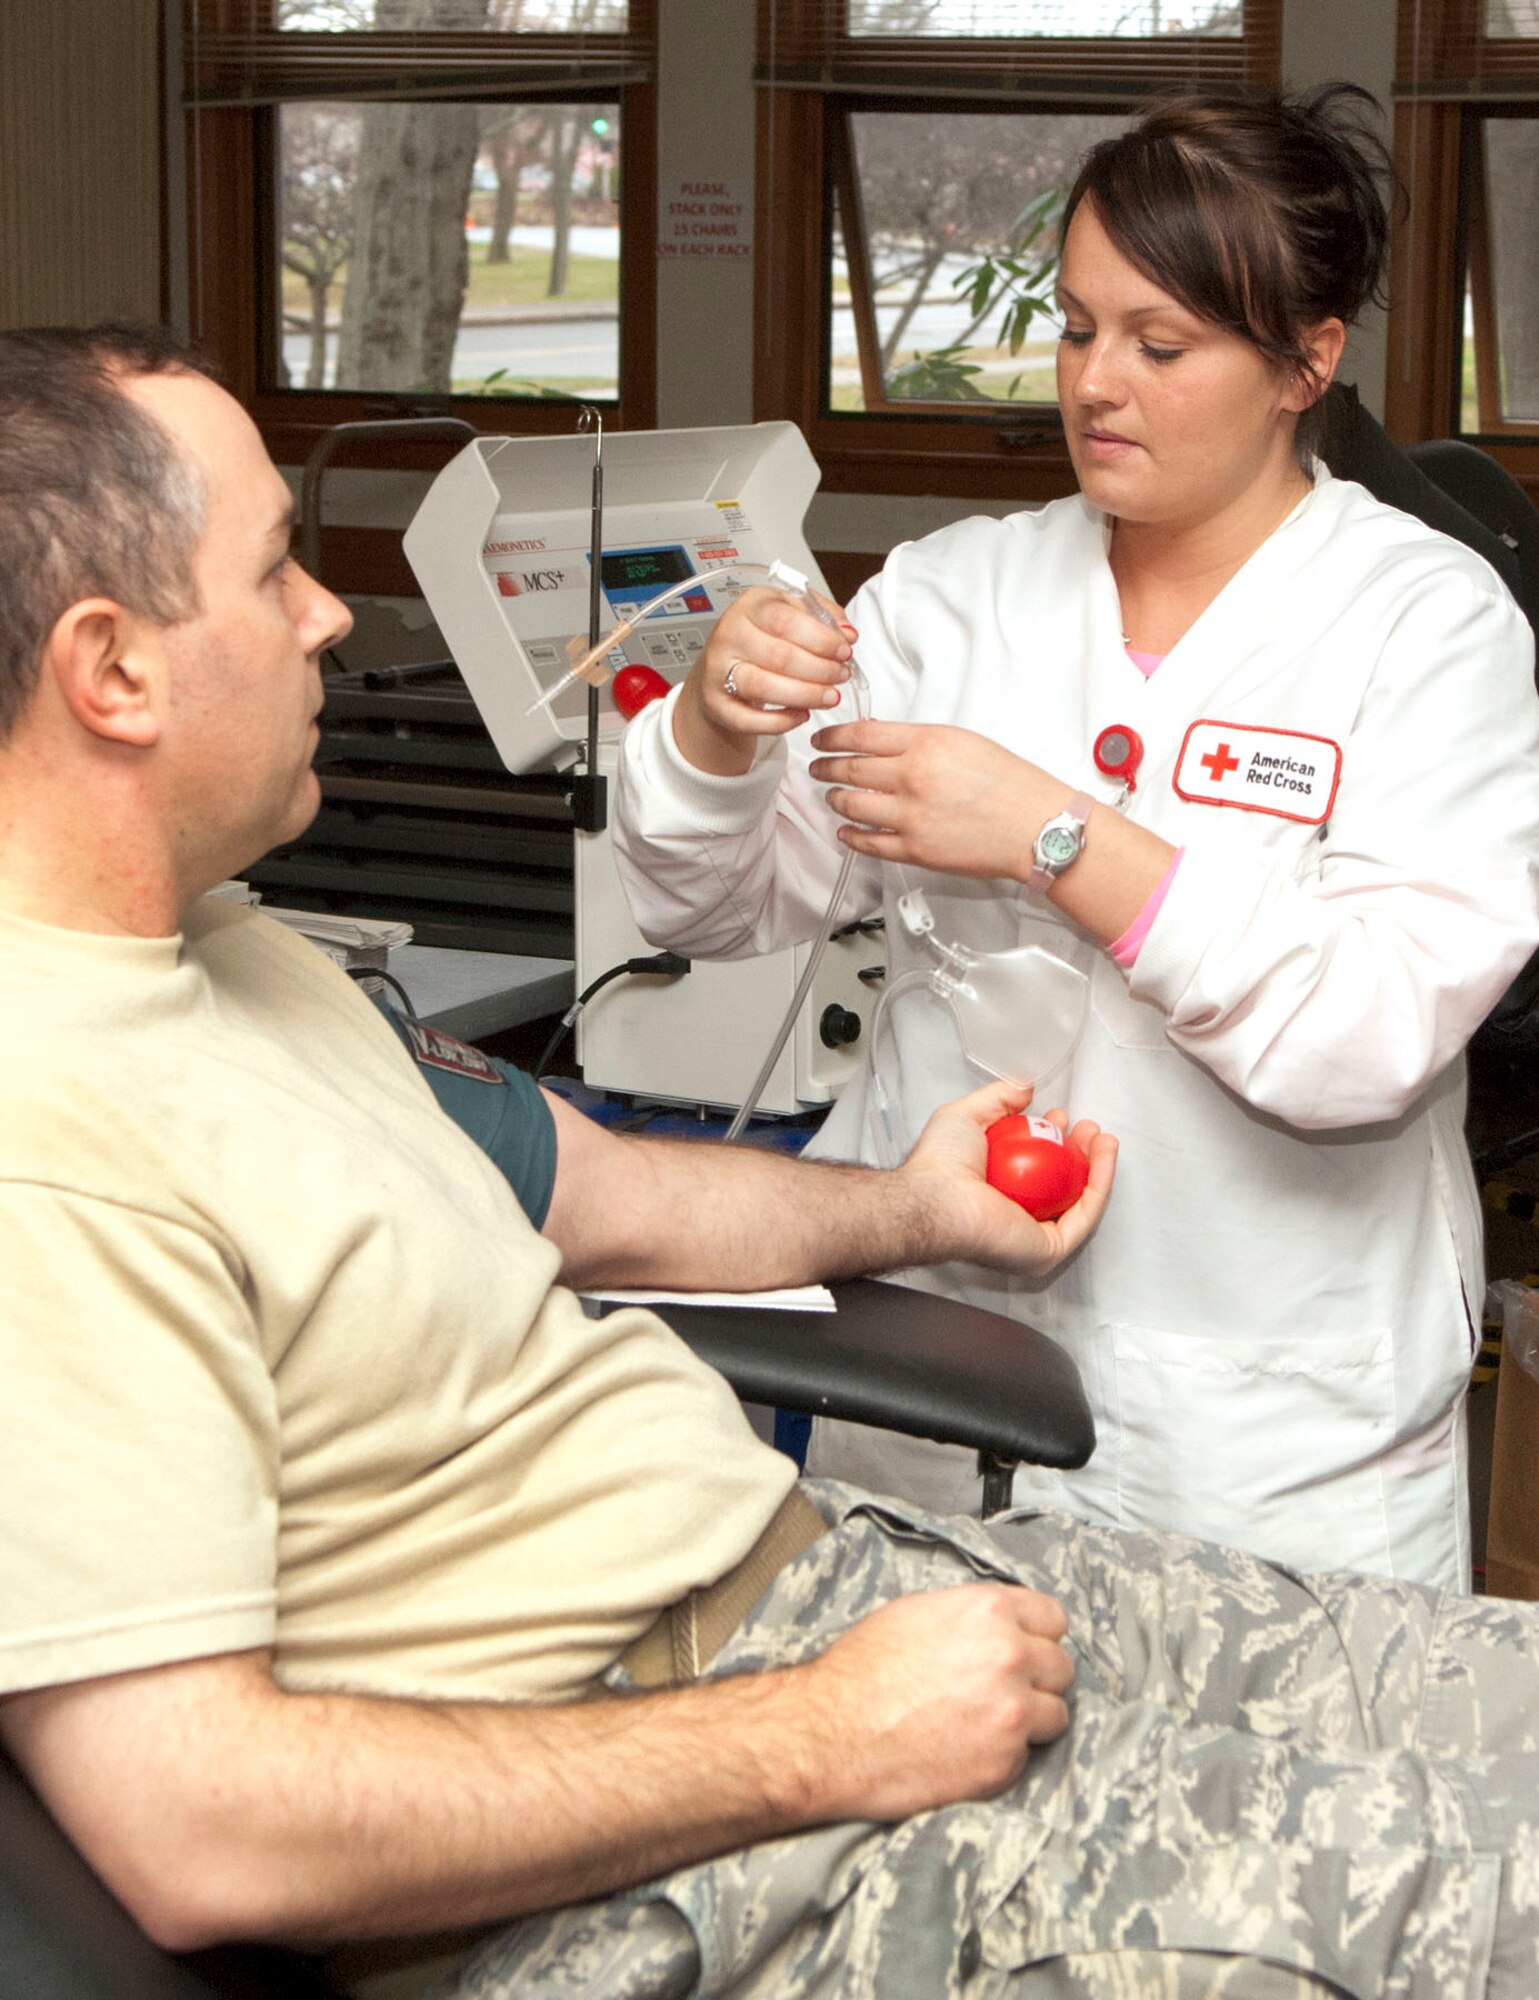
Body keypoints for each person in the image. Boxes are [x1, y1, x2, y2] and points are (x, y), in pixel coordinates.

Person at [5, 324, 1539, 2000]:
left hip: (842, 1587)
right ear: (114, 669)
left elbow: (616, 1195)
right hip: (734, 1805)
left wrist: (911, 1210)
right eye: (281, 566)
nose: (330, 616)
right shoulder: (48, 1146)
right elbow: (202, 1833)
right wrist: (819, 1732)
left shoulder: (248, 958)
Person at [611, 84, 1539, 1591]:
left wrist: (1055, 837)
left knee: (1267, 1812)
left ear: (1309, 362)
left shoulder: (1422, 622)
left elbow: (1370, 1035)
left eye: (1161, 346)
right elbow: (719, 906)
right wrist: (716, 731)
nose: (1098, 383)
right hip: (938, 1371)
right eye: (1075, 327)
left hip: (1269, 1426)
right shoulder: (956, 592)